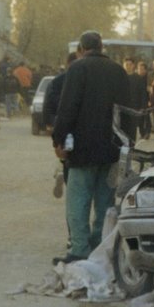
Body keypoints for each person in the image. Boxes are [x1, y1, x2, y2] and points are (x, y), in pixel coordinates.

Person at [52, 30, 129, 263]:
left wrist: (58, 140)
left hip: (82, 149)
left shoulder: (77, 69)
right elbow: (128, 112)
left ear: (81, 49)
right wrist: (127, 145)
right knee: (106, 201)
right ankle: (100, 248)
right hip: (112, 149)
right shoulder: (118, 71)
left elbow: (67, 109)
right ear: (102, 46)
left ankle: (79, 249)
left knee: (78, 199)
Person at [129, 61, 152, 139]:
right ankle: (142, 133)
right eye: (139, 69)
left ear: (145, 70)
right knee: (141, 117)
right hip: (139, 100)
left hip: (148, 99)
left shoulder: (148, 78)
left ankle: (147, 131)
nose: (140, 71)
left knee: (146, 116)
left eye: (142, 69)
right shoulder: (136, 78)